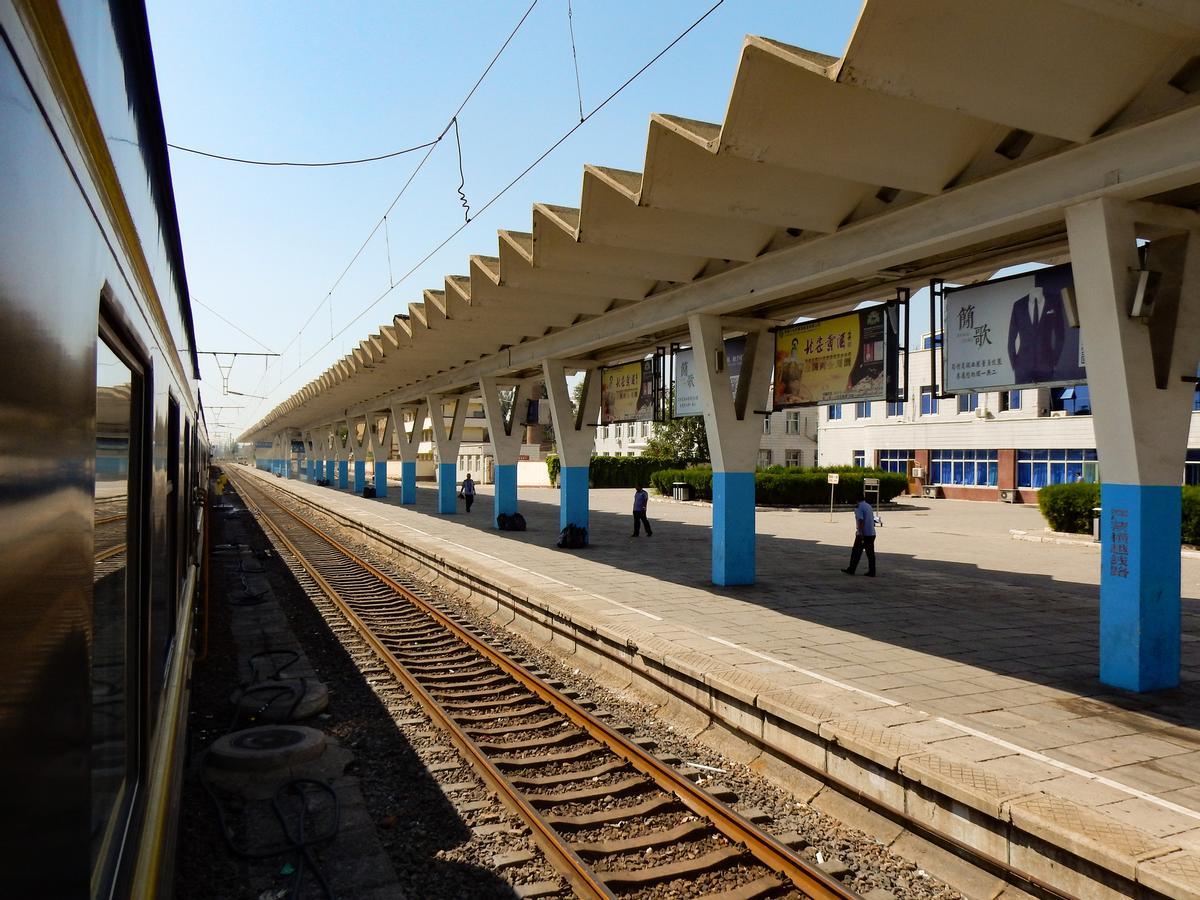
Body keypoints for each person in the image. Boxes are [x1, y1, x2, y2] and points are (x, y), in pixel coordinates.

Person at [1007, 284, 1065, 385]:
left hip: (1046, 364)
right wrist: (1014, 364)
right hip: (1023, 366)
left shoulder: (1053, 301)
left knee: (1046, 396)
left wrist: (1055, 360)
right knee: (1020, 395)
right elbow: (1011, 337)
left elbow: (1060, 333)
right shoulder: (1018, 305)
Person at [841, 493, 877, 576]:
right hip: (871, 533)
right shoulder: (868, 505)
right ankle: (872, 571)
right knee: (870, 553)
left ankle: (851, 569)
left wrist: (860, 532)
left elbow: (860, 520)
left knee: (856, 552)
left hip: (864, 534)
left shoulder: (859, 507)